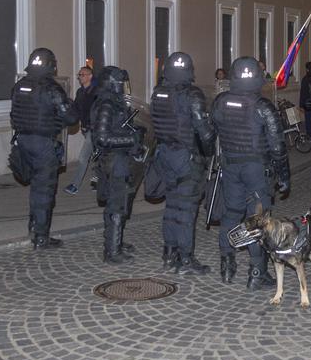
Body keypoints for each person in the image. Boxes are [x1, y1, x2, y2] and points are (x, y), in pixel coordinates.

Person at [212, 57, 290, 288]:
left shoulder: (220, 102)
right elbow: (278, 146)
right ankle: (257, 273)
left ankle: (227, 266)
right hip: (256, 168)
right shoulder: (263, 106)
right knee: (258, 221)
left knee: (230, 214)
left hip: (230, 165)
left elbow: (209, 133)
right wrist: (284, 176)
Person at [151, 52, 216, 274]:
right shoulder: (192, 94)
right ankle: (186, 260)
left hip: (164, 155)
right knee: (187, 209)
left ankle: (169, 254)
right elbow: (204, 132)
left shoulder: (158, 92)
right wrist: (208, 154)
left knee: (171, 206)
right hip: (186, 158)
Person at [10, 48, 79, 250]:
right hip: (43, 144)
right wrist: (70, 105)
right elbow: (71, 118)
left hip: (22, 140)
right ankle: (41, 237)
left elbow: (14, 113)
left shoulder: (19, 86)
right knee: (44, 190)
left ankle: (33, 224)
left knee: (34, 187)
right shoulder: (52, 89)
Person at [91, 66, 143, 264]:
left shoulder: (114, 103)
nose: (123, 87)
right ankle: (112, 251)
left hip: (119, 158)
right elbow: (102, 138)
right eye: (120, 84)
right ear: (112, 84)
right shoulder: (106, 105)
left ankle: (117, 242)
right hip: (114, 160)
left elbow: (117, 127)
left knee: (120, 203)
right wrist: (131, 139)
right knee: (116, 205)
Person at [65, 65, 96, 195]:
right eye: (79, 75)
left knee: (83, 157)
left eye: (82, 75)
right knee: (96, 156)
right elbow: (77, 108)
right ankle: (98, 181)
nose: (79, 77)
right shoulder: (80, 92)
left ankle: (75, 185)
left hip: (94, 130)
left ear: (90, 76)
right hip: (85, 128)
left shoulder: (96, 92)